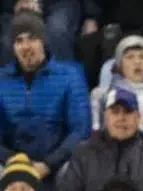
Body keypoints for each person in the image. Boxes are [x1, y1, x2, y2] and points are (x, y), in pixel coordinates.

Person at [0, 11, 90, 181]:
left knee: (73, 171)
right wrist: (13, 161)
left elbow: (80, 130)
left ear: (44, 41)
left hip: (59, 164)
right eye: (19, 41)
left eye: (32, 38)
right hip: (12, 163)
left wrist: (48, 164)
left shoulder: (70, 74)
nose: (26, 46)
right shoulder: (2, 80)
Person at [88, 35, 143, 137]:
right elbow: (95, 133)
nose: (137, 62)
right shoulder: (101, 95)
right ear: (120, 65)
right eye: (130, 57)